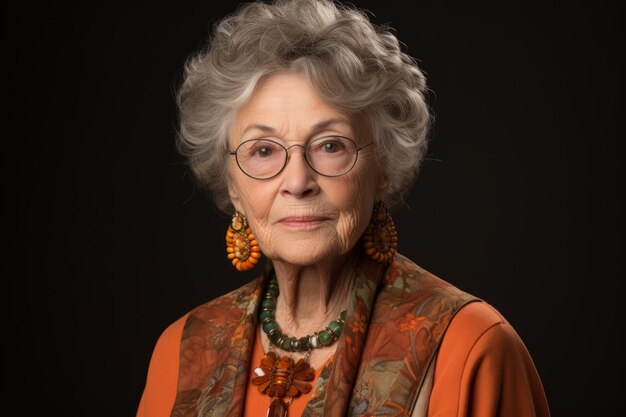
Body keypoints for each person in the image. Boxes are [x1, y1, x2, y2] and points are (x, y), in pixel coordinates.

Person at [136, 0, 551, 416]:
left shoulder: (469, 347)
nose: (297, 182)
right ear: (234, 184)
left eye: (330, 146)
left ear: (382, 167)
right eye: (263, 150)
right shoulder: (181, 351)